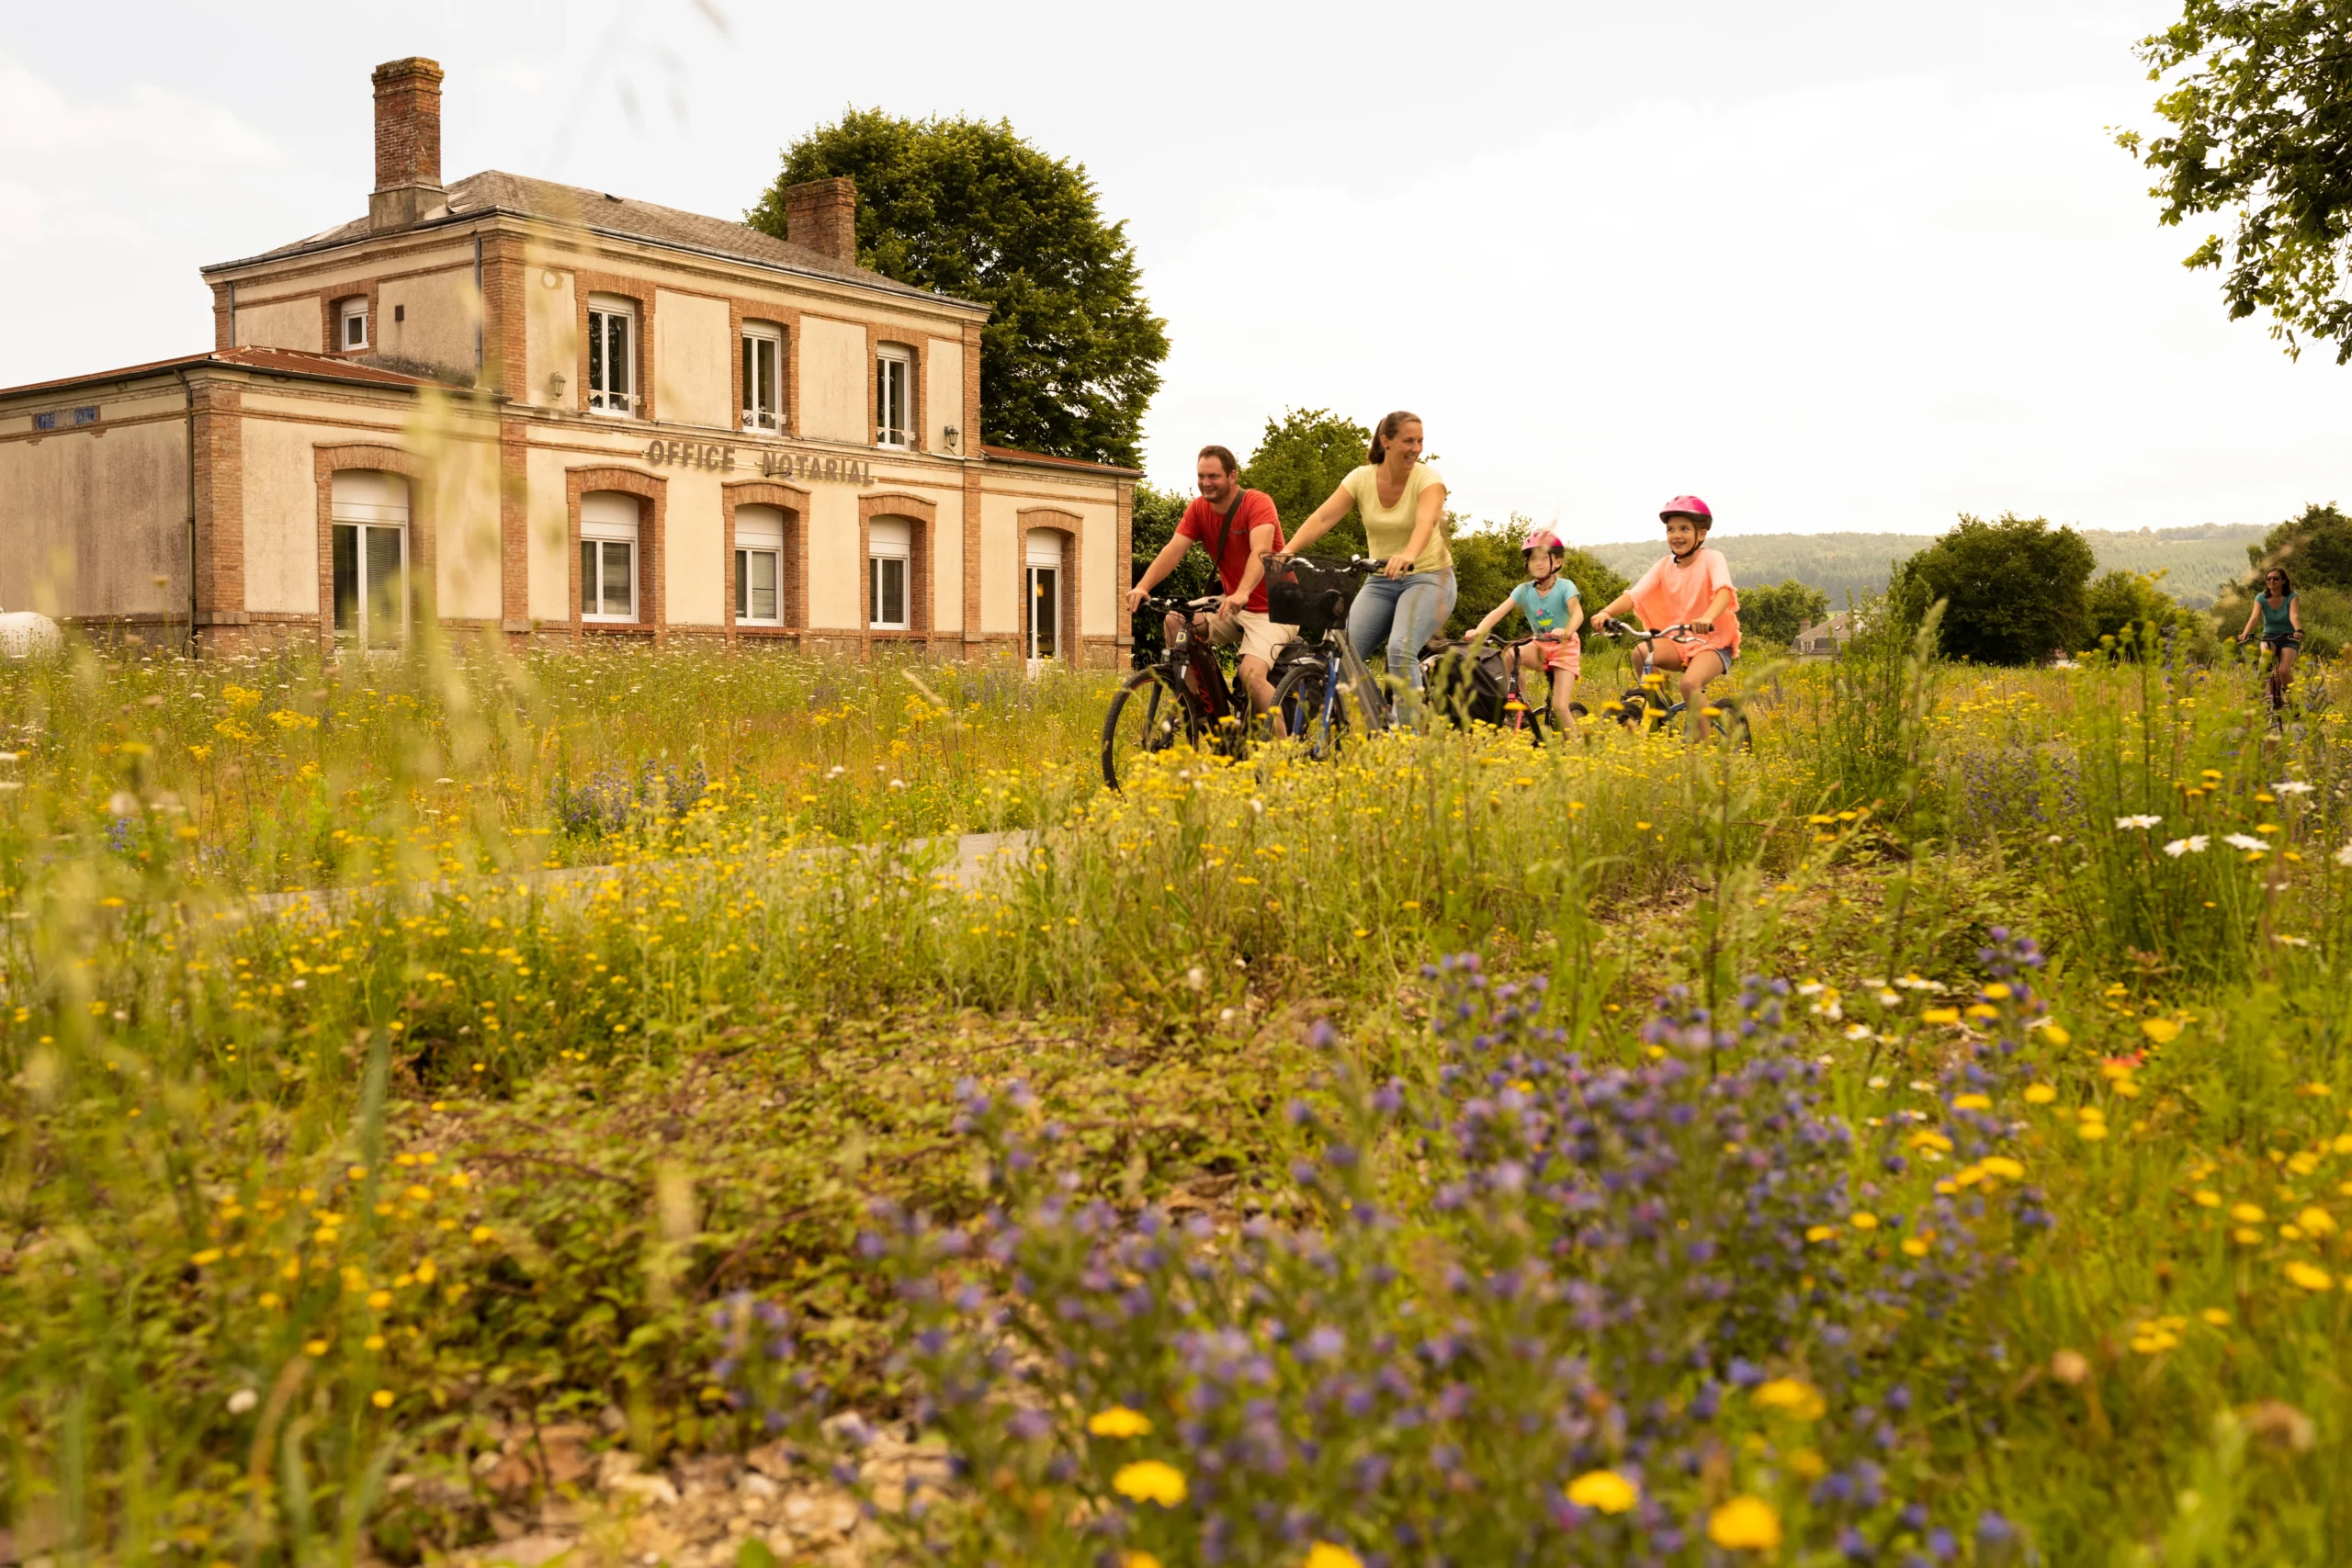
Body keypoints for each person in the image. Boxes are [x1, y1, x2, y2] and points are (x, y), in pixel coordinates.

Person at [1276, 411, 1455, 695]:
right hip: (1382, 580)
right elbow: (1323, 518)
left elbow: (1426, 521)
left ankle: (1408, 737)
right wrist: (1287, 551)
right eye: (1409, 441)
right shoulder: (1361, 478)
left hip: (1429, 578)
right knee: (1344, 653)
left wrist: (1409, 553)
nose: (1417, 449)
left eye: (1420, 441)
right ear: (1386, 441)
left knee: (1399, 650)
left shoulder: (1428, 478)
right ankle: (1381, 717)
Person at [1125, 445, 1295, 718]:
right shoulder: (1198, 509)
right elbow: (1173, 549)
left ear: (1232, 476)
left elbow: (1261, 551)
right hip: (1232, 605)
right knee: (1175, 620)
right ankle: (1199, 709)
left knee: (1251, 675)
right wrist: (1144, 586)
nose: (1205, 483)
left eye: (1213, 476)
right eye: (1201, 476)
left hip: (1275, 609)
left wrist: (1242, 592)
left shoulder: (1257, 503)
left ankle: (1284, 752)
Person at [1590, 495, 1740, 712]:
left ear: (1702, 534)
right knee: (1641, 653)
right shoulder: (1664, 566)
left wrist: (1707, 617)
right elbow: (1634, 595)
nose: (1676, 535)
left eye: (1684, 529)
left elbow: (1724, 591)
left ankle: (1702, 746)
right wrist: (1606, 612)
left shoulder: (1712, 558)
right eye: (1671, 530)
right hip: (1678, 640)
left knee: (1689, 685)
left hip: (1714, 641)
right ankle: (1658, 708)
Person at [1464, 527, 1582, 728]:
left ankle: (1576, 751)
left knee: (1560, 707)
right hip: (1538, 645)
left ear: (1558, 562)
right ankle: (1520, 705)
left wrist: (1567, 631)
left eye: (1544, 558)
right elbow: (1498, 612)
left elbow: (1577, 613)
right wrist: (1479, 630)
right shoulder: (1523, 591)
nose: (1538, 563)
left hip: (1565, 646)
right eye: (1533, 558)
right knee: (1509, 655)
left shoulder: (1565, 587)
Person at [2235, 566, 2302, 711]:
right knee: (2265, 660)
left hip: (2289, 637)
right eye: (2268, 578)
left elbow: (2294, 615)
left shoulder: (2292, 596)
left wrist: (2298, 630)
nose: (2271, 581)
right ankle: (2260, 694)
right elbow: (2254, 618)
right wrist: (2245, 633)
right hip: (2269, 636)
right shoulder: (2261, 598)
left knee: (2284, 670)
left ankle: (2293, 701)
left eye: (2276, 578)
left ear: (2283, 581)